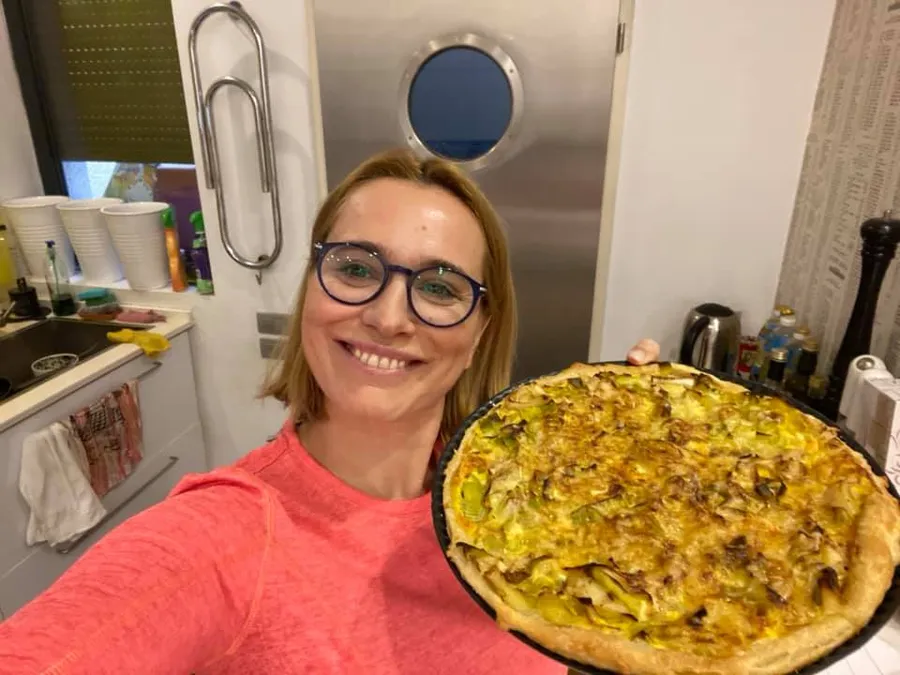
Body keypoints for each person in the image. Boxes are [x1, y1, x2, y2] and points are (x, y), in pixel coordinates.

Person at [0, 149, 660, 674]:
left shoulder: (515, 508)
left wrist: (648, 471)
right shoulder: (226, 538)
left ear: (480, 333)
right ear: (311, 290)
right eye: (356, 268)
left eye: (439, 287)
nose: (388, 317)